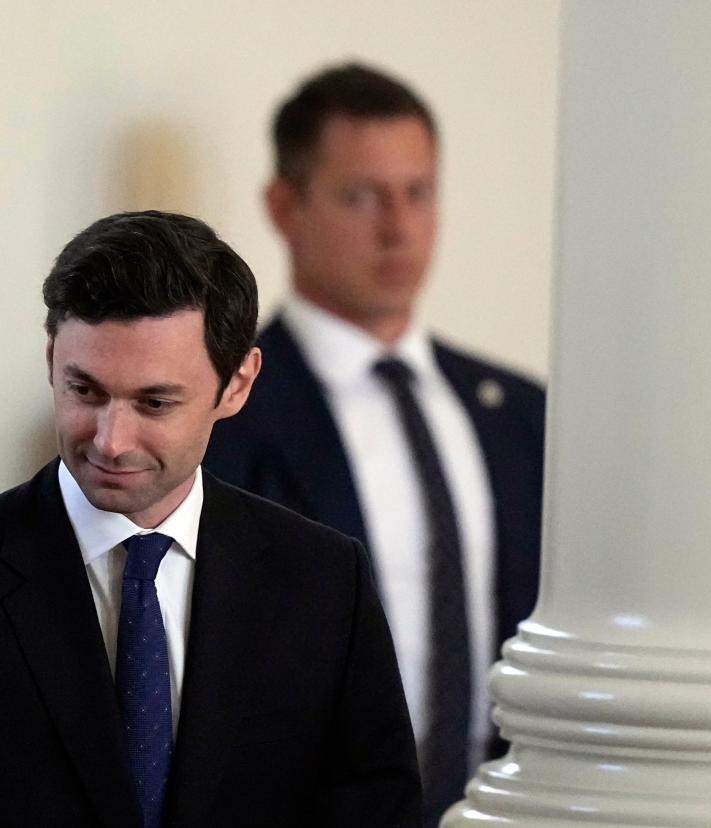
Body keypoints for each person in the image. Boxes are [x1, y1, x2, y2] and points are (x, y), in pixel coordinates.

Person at [0, 210, 420, 827]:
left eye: (154, 402)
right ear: (52, 360)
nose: (111, 440)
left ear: (236, 385)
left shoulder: (325, 586)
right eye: (86, 391)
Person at [203, 63, 545, 825]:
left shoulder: (521, 415)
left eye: (418, 193)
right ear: (283, 207)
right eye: (363, 196)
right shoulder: (222, 415)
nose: (399, 226)